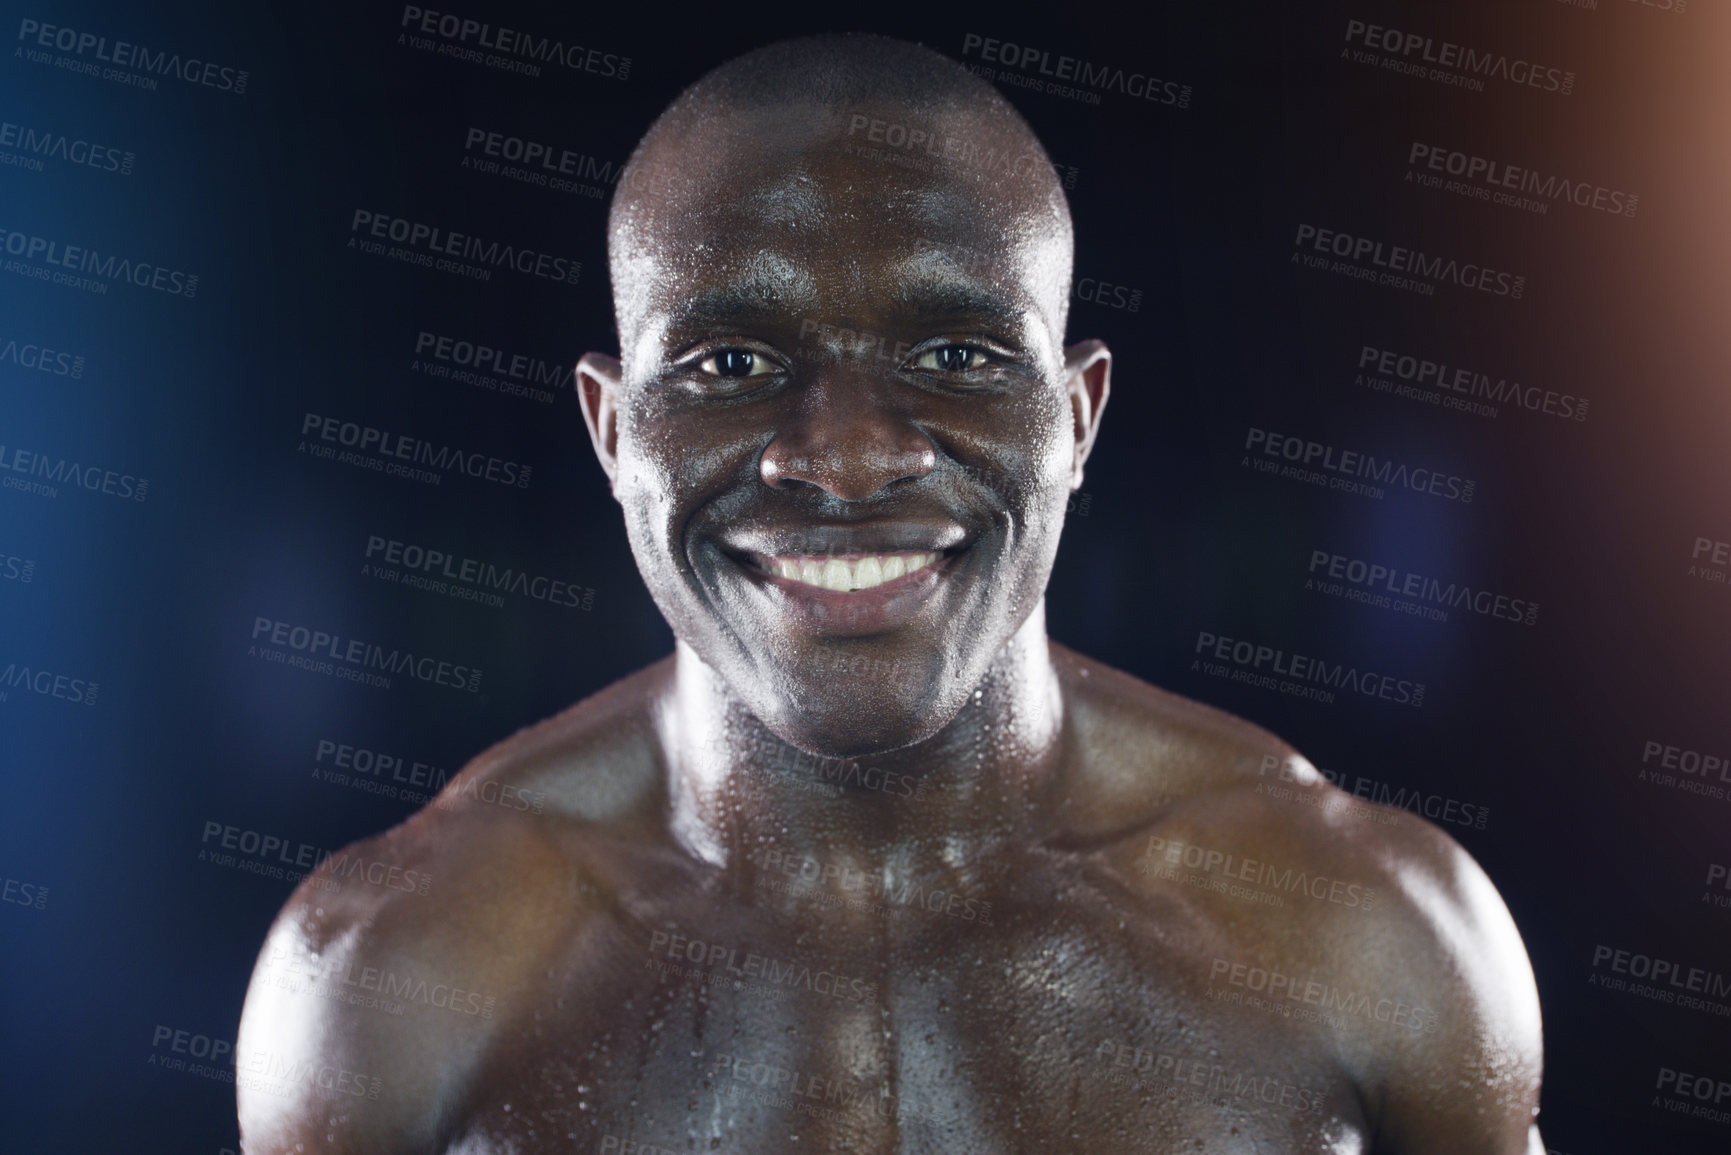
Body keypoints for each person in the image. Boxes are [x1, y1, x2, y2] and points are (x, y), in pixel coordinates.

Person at [238, 33, 1544, 1154]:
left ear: (1076, 419)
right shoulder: (389, 977)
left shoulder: (1373, 933)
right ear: (614, 431)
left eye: (959, 353)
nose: (849, 455)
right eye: (732, 359)